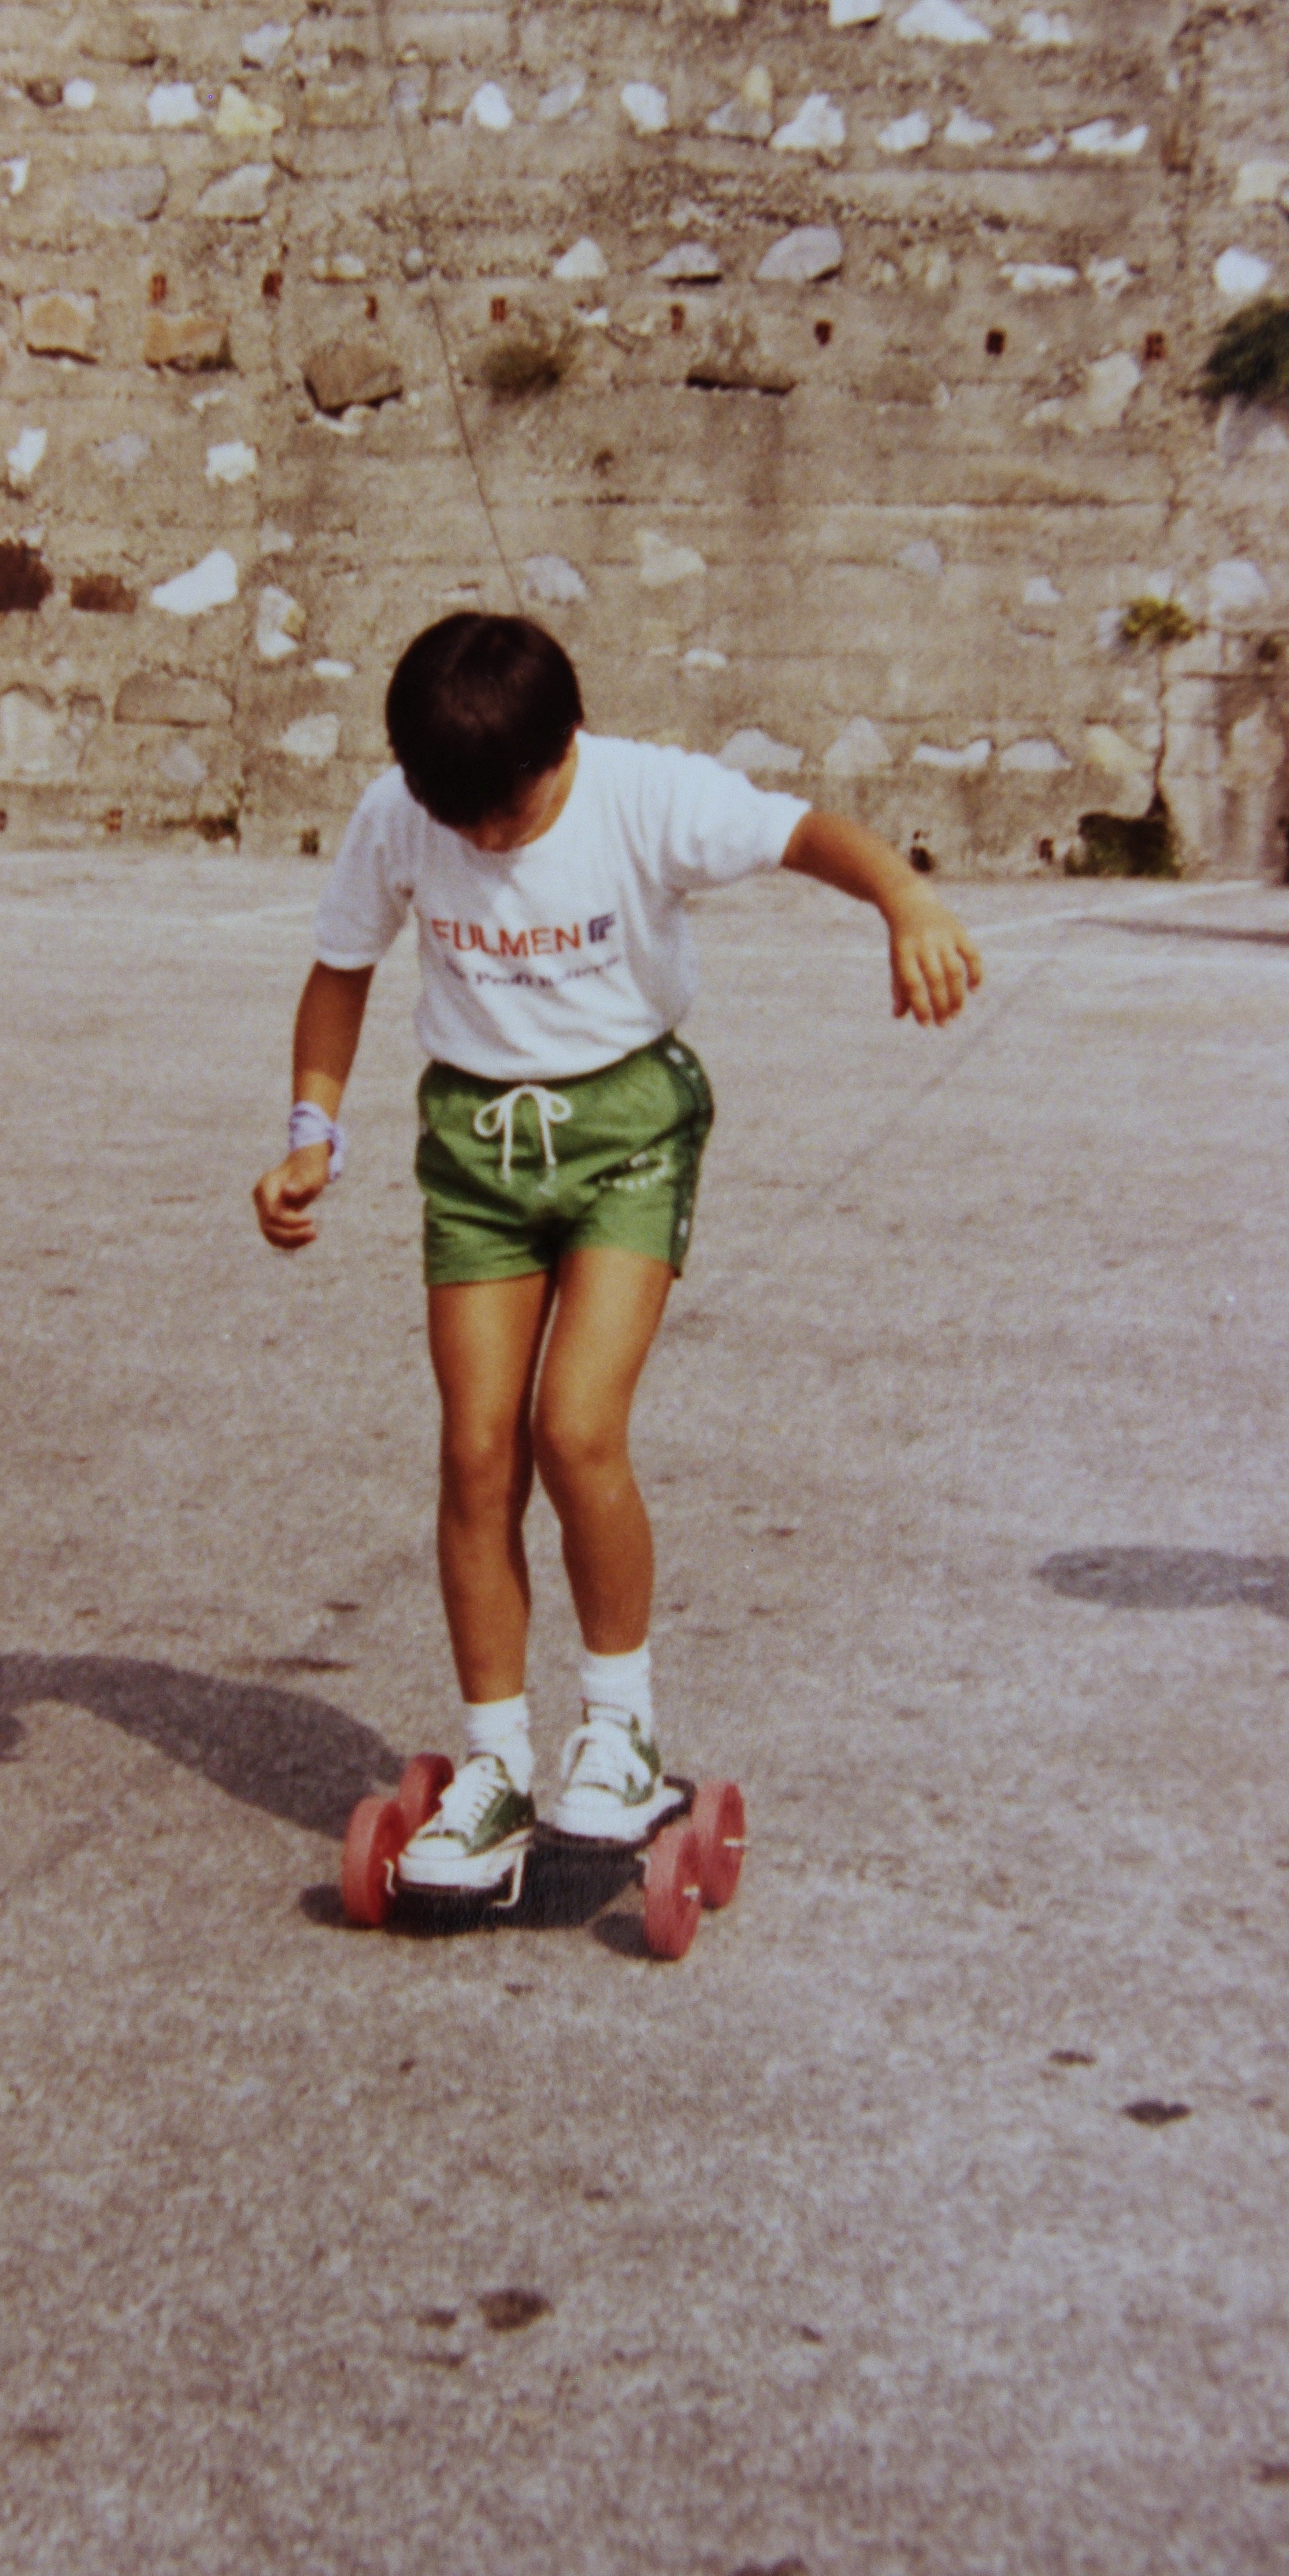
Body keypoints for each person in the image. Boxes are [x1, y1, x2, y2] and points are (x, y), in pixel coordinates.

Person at [251, 611, 981, 1898]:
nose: (483, 842)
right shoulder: (403, 810)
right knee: (476, 1447)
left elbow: (806, 831)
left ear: (563, 747)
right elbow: (341, 966)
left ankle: (620, 1731)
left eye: (507, 815)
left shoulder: (645, 795)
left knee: (575, 1428)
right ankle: (494, 1763)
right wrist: (311, 1132)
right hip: (476, 1144)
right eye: (458, 819)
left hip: (627, 1133)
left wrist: (904, 897)